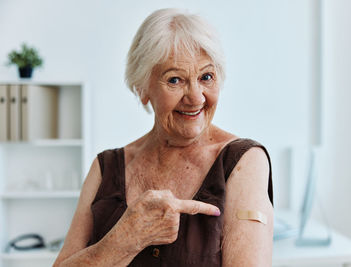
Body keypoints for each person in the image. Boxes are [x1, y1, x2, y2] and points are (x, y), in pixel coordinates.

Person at [53, 8, 273, 267]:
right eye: (175, 79)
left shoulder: (243, 162)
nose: (196, 97)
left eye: (206, 77)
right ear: (142, 88)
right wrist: (125, 239)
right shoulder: (106, 167)